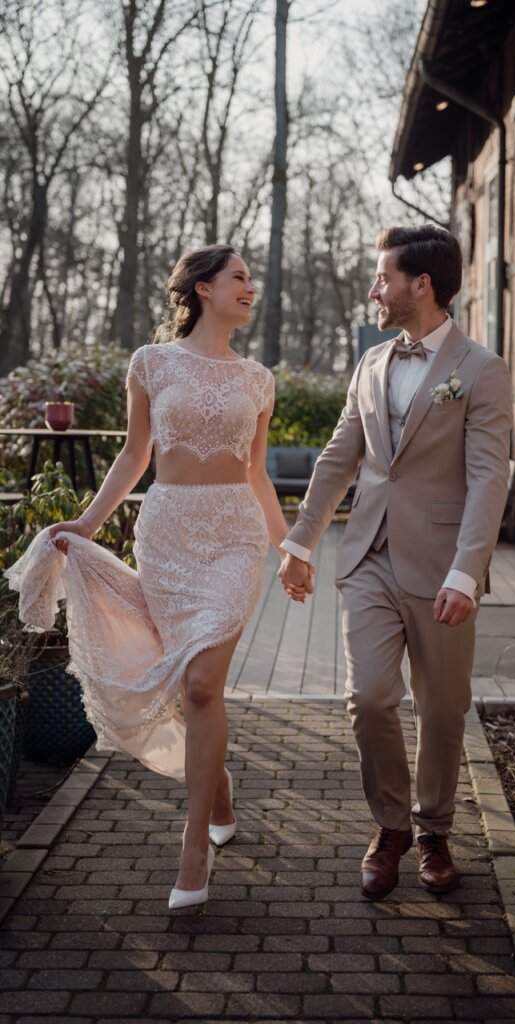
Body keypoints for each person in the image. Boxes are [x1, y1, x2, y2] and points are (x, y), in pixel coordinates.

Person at [5, 244, 306, 909]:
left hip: (233, 539)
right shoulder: (151, 363)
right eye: (239, 277)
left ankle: (194, 845)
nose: (250, 287)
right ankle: (217, 791)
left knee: (201, 683)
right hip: (168, 537)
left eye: (251, 279)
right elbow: (135, 454)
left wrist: (291, 548)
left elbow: (257, 474)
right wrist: (87, 523)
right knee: (192, 692)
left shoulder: (258, 379)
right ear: (203, 288)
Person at [278, 224, 513, 900]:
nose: (374, 290)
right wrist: (300, 542)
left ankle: (434, 831)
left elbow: (488, 477)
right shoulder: (371, 362)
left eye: (383, 278)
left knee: (442, 708)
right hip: (368, 558)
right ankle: (391, 828)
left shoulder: (481, 370)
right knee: (370, 698)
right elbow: (338, 457)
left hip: (443, 566)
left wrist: (467, 571)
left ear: (422, 284)